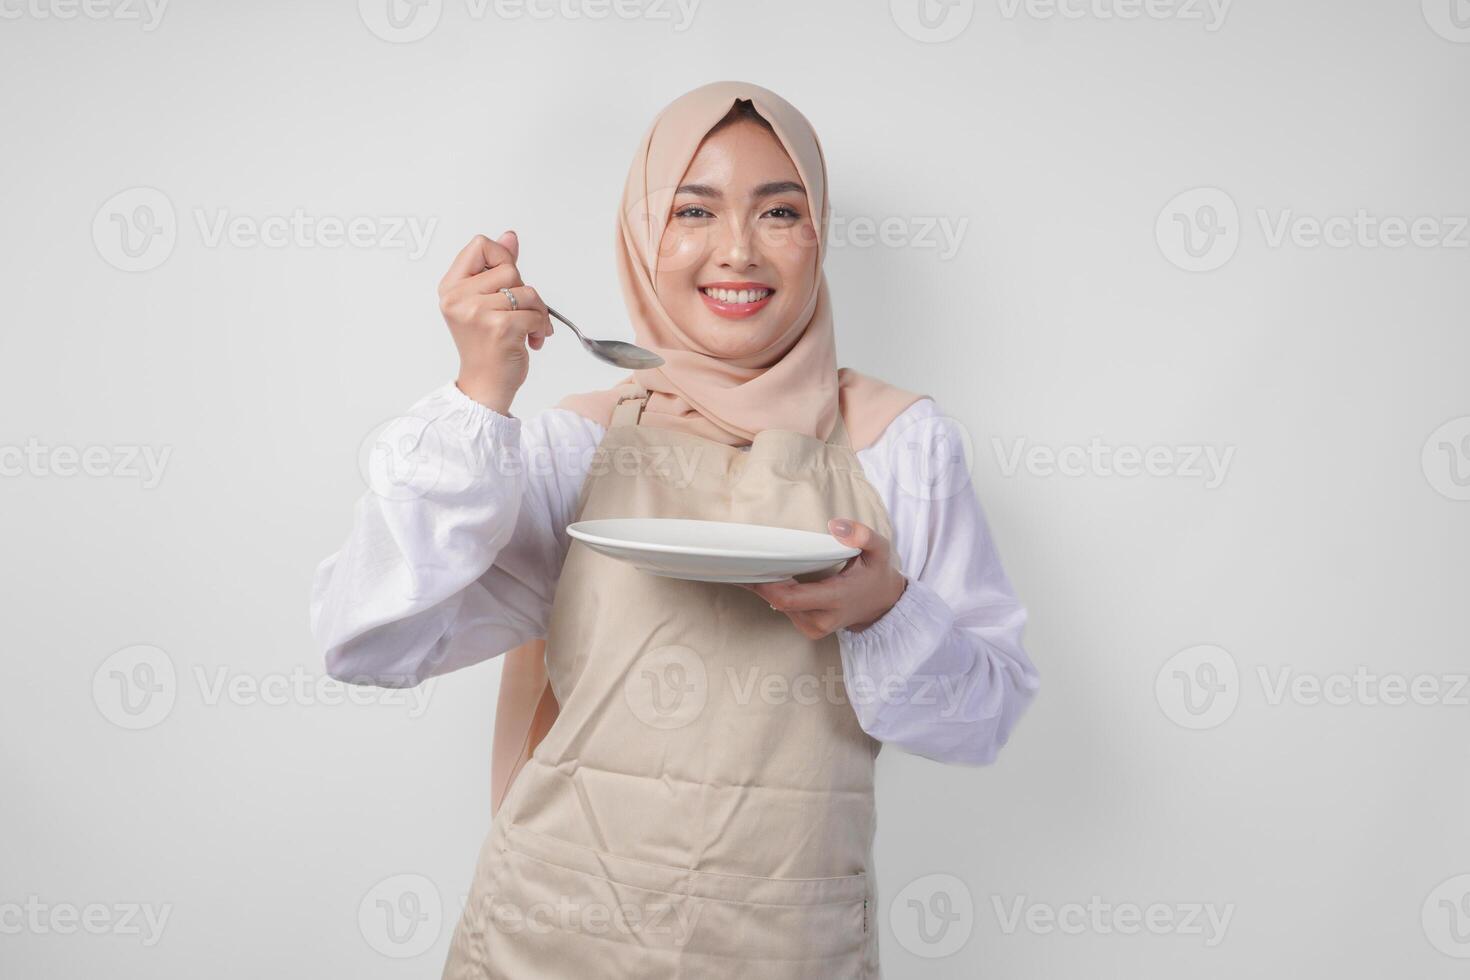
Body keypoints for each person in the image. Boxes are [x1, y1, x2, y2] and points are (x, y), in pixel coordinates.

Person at [310, 80, 1039, 979]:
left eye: (780, 212)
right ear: (641, 235)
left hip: (787, 945)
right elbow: (369, 641)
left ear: (820, 236)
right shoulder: (579, 441)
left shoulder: (903, 445)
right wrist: (481, 394)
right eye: (693, 210)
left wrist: (884, 608)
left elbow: (985, 720)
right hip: (546, 937)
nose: (737, 250)